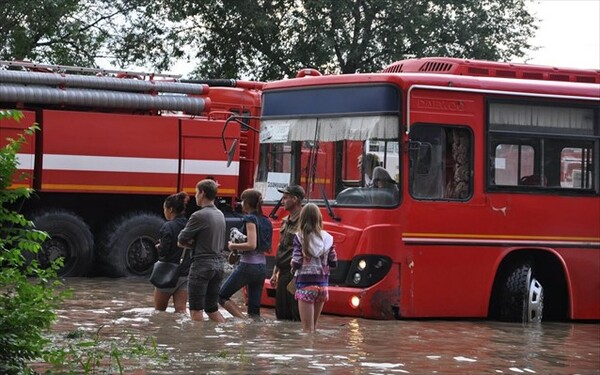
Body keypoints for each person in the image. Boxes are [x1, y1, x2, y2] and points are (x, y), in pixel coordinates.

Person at [219, 189, 273, 319]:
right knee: (254, 309)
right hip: (261, 268)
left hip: (248, 266)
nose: (241, 203)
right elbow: (268, 248)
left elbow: (251, 245)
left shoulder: (249, 219)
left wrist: (233, 246)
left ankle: (243, 321)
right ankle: (252, 330)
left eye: (243, 200)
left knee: (221, 296)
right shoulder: (266, 220)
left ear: (248, 203)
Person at [177, 179, 226, 323]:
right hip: (219, 265)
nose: (195, 195)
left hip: (202, 265)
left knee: (196, 309)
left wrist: (193, 244)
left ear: (203, 193)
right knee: (212, 309)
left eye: (196, 192)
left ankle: (197, 343)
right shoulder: (220, 214)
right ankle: (222, 337)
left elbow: (181, 239)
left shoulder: (198, 215)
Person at [290, 203, 337, 333]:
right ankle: (314, 352)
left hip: (305, 286)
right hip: (322, 287)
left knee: (306, 330)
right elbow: (334, 262)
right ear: (319, 218)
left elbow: (297, 262)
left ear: (302, 218)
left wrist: (292, 265)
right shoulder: (328, 238)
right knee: (313, 329)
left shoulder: (299, 237)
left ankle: (306, 352)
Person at [269, 185, 304, 321]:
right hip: (283, 273)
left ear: (295, 199)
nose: (282, 201)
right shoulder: (285, 221)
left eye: (285, 198)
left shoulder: (304, 221)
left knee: (296, 314)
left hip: (295, 274)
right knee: (281, 315)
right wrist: (274, 272)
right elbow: (281, 247)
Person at [154, 191, 191, 313]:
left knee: (159, 312)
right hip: (184, 273)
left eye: (164, 209)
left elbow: (164, 252)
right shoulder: (190, 225)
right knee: (181, 311)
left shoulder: (168, 227)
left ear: (170, 210)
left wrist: (159, 247)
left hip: (167, 274)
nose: (164, 212)